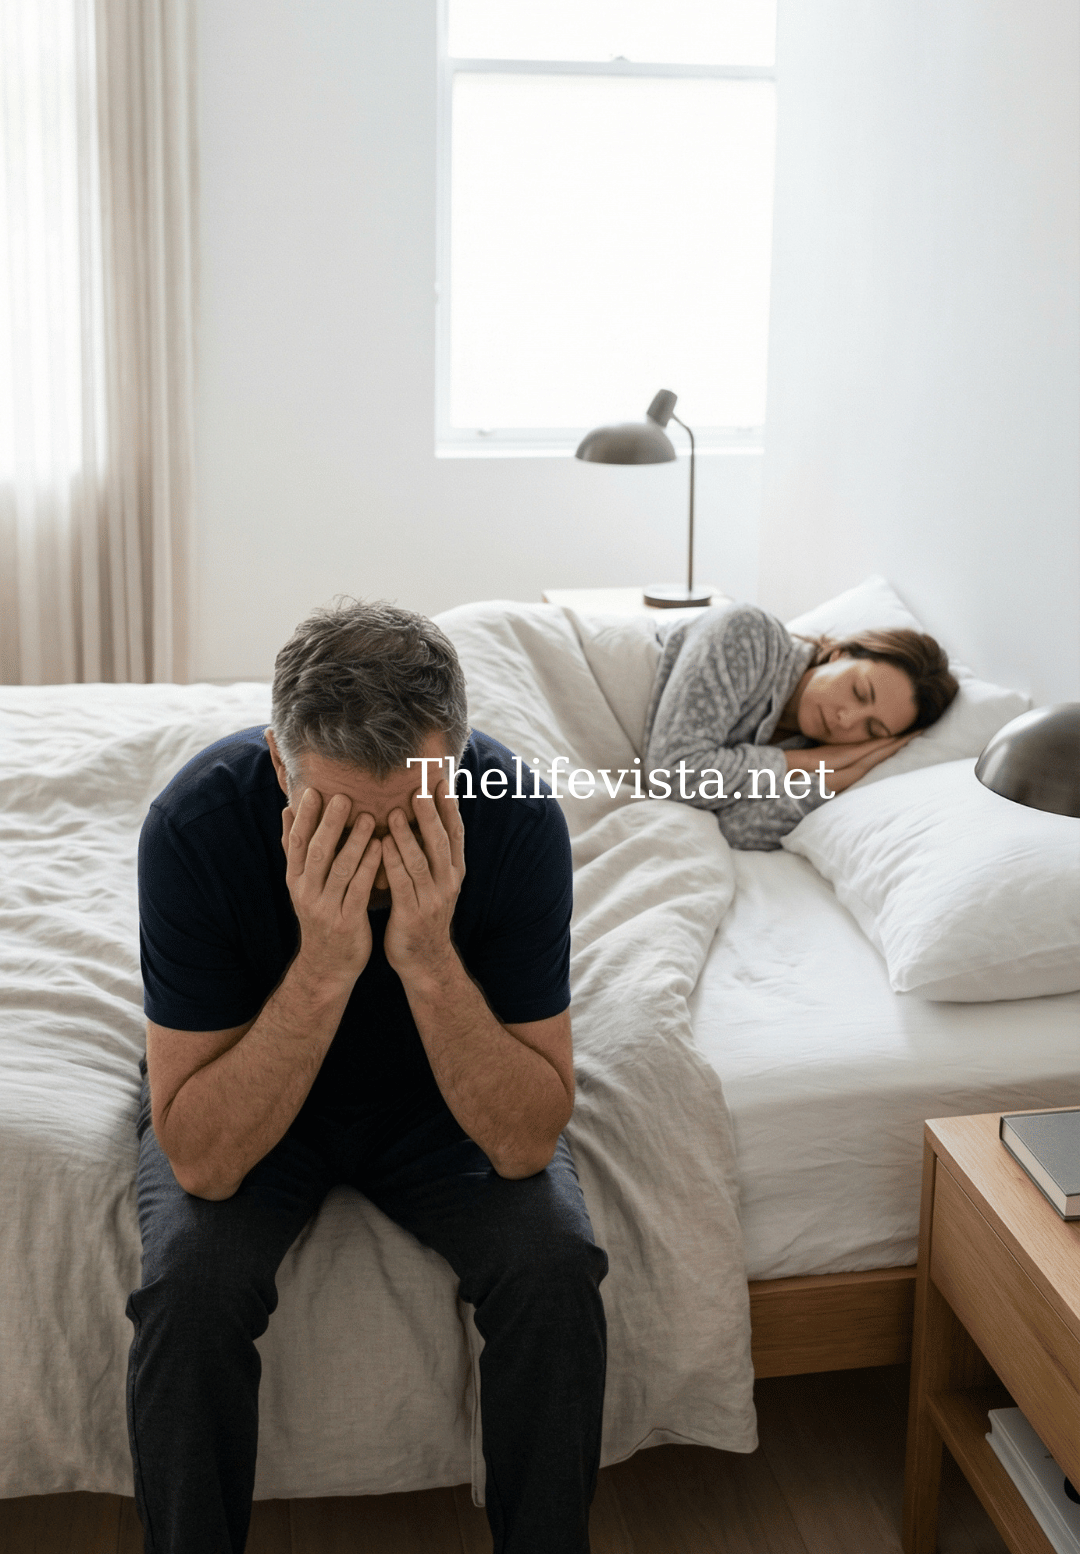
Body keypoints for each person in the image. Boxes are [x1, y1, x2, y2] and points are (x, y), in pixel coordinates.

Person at [127, 599, 607, 1554]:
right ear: (280, 765)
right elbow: (204, 1161)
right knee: (191, 1289)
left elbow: (524, 1140)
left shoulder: (516, 818)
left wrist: (426, 957)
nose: (380, 850)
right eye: (341, 818)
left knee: (554, 1267)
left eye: (414, 814)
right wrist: (325, 966)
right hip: (253, 1075)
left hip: (444, 1094)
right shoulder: (194, 826)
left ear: (456, 763)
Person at [643, 602, 958, 849]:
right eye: (859, 692)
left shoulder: (806, 751)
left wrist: (844, 775)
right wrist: (810, 762)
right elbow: (671, 775)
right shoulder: (750, 634)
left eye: (871, 730)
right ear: (840, 654)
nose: (847, 720)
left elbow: (733, 829)